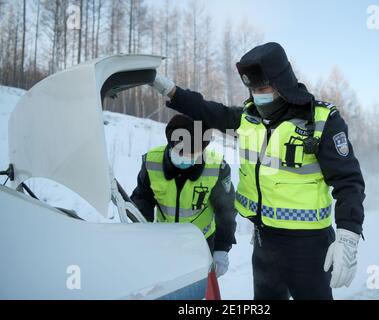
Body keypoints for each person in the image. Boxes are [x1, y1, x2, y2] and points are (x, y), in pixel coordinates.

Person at [149, 42, 365, 299]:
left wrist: (348, 235)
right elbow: (208, 110)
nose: (257, 95)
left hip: (309, 247)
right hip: (264, 242)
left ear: (282, 83)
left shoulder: (320, 121)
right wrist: (171, 91)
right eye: (253, 89)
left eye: (262, 88)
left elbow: (349, 181)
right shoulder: (249, 119)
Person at [130, 114, 237, 277]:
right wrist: (141, 234)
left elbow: (226, 210)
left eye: (193, 154)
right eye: (182, 152)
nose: (186, 157)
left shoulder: (217, 167)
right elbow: (142, 199)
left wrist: (222, 249)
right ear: (171, 144)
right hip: (163, 240)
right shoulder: (152, 161)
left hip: (201, 242)